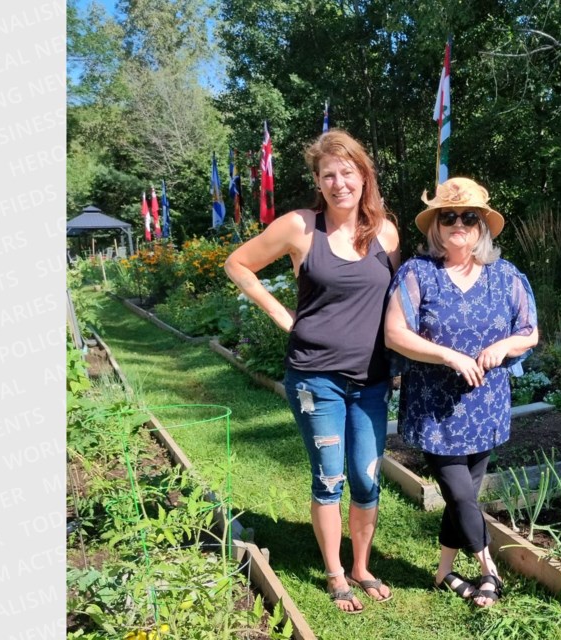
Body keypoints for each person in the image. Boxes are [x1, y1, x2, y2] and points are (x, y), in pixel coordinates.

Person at [224, 129, 400, 613]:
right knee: (329, 479)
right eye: (329, 175)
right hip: (314, 377)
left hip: (372, 380)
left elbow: (395, 305)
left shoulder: (386, 231)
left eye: (348, 173)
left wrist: (402, 357)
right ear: (318, 183)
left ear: (364, 176)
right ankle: (336, 573)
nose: (339, 183)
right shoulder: (301, 227)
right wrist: (285, 317)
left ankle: (362, 566)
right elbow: (237, 263)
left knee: (366, 479)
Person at [384, 177, 538, 607]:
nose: (459, 223)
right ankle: (491, 569)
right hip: (436, 409)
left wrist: (504, 345)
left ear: (482, 226)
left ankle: (443, 572)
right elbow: (394, 333)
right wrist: (448, 356)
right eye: (448, 216)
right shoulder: (418, 274)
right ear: (435, 225)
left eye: (469, 217)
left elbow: (529, 332)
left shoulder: (505, 276)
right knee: (459, 492)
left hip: (485, 405)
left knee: (461, 496)